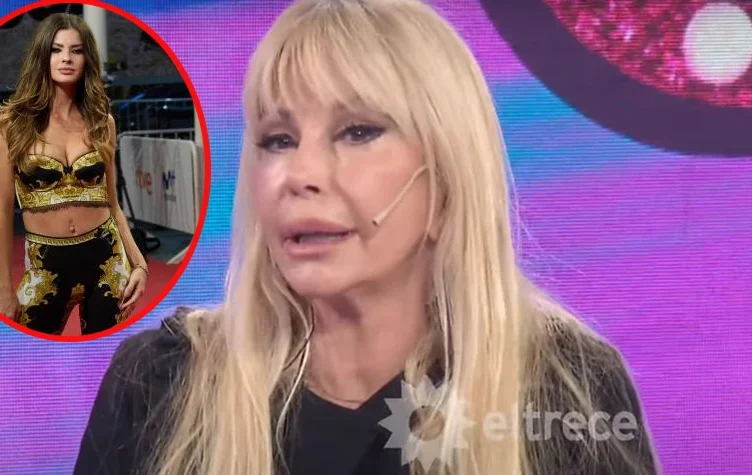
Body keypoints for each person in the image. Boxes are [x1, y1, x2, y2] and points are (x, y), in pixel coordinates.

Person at [75, 0, 660, 473]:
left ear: (448, 176)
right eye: (278, 140)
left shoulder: (566, 391)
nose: (299, 174)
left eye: (357, 132)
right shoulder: (158, 385)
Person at [0, 13, 148, 335]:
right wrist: (3, 288)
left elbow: (113, 204)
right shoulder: (12, 125)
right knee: (31, 359)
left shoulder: (102, 122)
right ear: (43, 56)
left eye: (76, 50)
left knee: (102, 357)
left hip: (107, 263)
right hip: (45, 270)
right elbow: (2, 211)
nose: (66, 58)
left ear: (87, 59)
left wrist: (140, 264)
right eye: (57, 49)